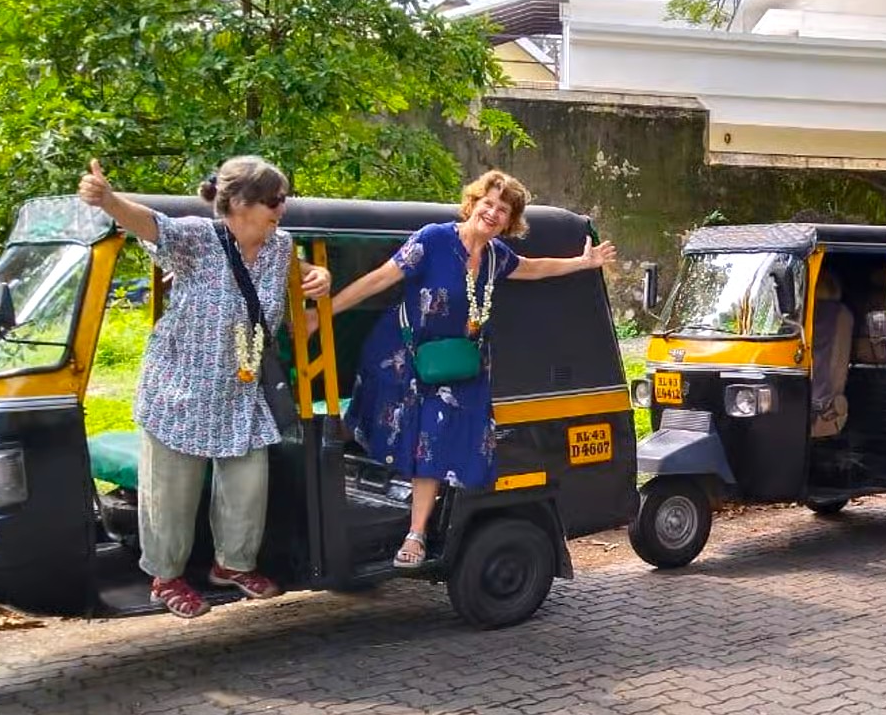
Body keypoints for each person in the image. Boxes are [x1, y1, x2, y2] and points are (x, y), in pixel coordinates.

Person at [308, 169, 617, 568]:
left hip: (458, 368)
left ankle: (415, 536)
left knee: (435, 441)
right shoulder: (433, 240)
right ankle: (349, 506)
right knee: (374, 425)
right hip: (403, 356)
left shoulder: (495, 257)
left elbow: (534, 267)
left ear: (509, 221)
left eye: (502, 210)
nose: (492, 212)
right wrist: (322, 314)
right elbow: (378, 280)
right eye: (488, 203)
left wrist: (582, 263)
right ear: (473, 204)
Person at [78, 156, 331, 618]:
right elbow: (152, 225)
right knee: (171, 491)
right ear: (236, 203)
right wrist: (109, 200)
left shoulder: (280, 246)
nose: (282, 208)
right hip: (180, 388)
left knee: (247, 484)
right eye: (273, 200)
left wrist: (320, 276)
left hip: (241, 388)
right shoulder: (198, 237)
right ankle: (165, 576)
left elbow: (301, 277)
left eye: (284, 199)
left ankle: (232, 565)